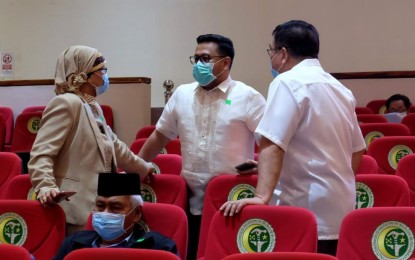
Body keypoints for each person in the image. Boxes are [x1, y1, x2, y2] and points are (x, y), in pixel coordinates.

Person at [220, 20, 366, 256]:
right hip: (340, 207)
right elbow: (357, 150)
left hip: (303, 208)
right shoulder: (340, 88)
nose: (271, 59)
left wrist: (260, 196)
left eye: (272, 51)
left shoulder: (287, 82)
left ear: (283, 53)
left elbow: (273, 143)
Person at [138, 34, 266, 259]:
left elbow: (269, 146)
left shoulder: (248, 97)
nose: (198, 64)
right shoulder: (182, 94)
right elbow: (160, 136)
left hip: (232, 199)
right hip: (189, 197)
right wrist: (136, 166)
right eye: (195, 58)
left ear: (225, 62)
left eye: (205, 58)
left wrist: (261, 167)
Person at [28, 45, 153, 235]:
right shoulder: (66, 103)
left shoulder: (91, 106)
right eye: (102, 70)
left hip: (99, 204)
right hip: (74, 207)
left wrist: (143, 168)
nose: (105, 75)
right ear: (84, 74)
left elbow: (114, 146)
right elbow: (41, 153)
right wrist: (45, 186)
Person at [53, 173, 178, 259]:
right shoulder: (73, 244)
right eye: (100, 206)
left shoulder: (158, 247)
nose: (105, 213)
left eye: (116, 207)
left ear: (136, 214)